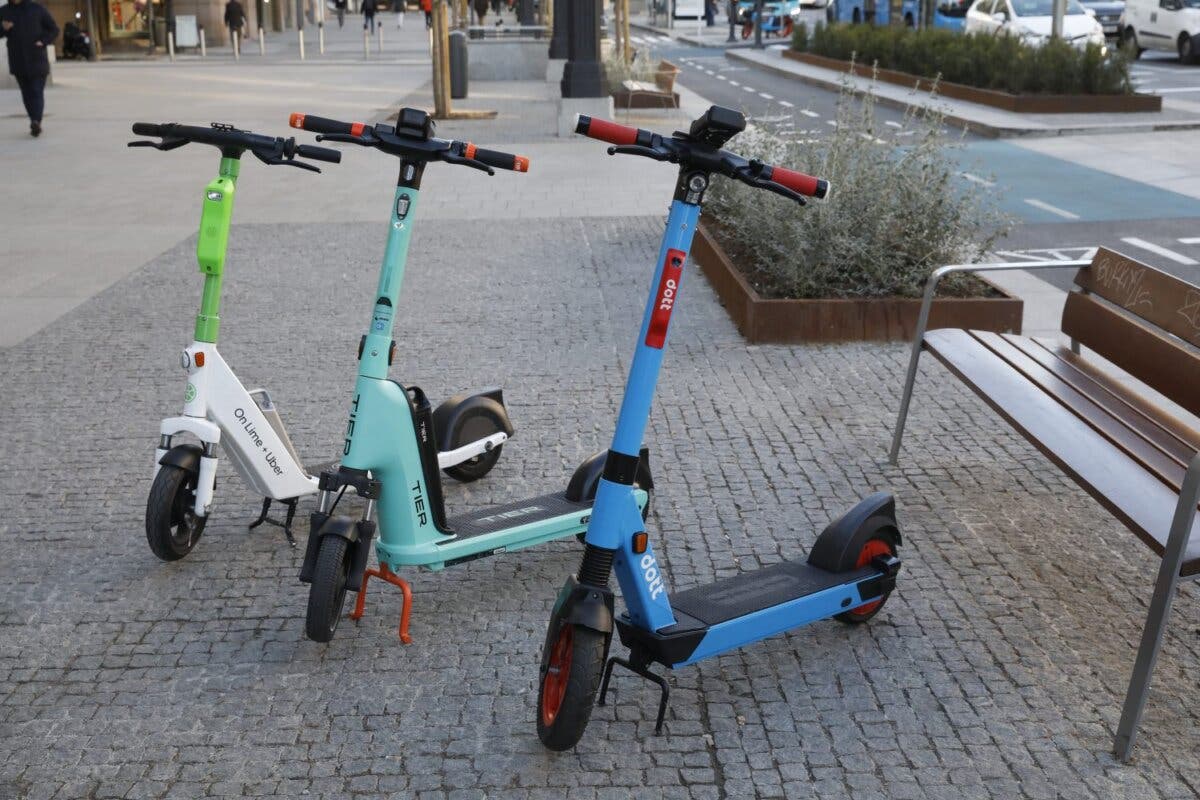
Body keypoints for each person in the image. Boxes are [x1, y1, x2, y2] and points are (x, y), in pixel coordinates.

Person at [0, 0, 59, 137]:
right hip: (17, 59)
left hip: (37, 58)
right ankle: (34, 120)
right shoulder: (4, 11)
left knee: (36, 91)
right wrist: (3, 28)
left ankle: (36, 121)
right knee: (26, 93)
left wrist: (43, 41)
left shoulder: (37, 9)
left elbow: (54, 29)